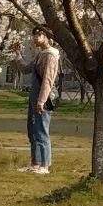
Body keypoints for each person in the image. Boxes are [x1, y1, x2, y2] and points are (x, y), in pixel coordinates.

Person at [21, 31, 61, 175]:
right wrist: (17, 54)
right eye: (34, 35)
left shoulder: (50, 55)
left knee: (42, 131)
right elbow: (25, 69)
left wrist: (41, 101)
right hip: (35, 97)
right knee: (33, 130)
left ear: (48, 37)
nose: (35, 38)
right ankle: (35, 163)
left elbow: (48, 80)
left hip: (43, 99)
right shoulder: (40, 54)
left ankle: (45, 165)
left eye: (39, 35)